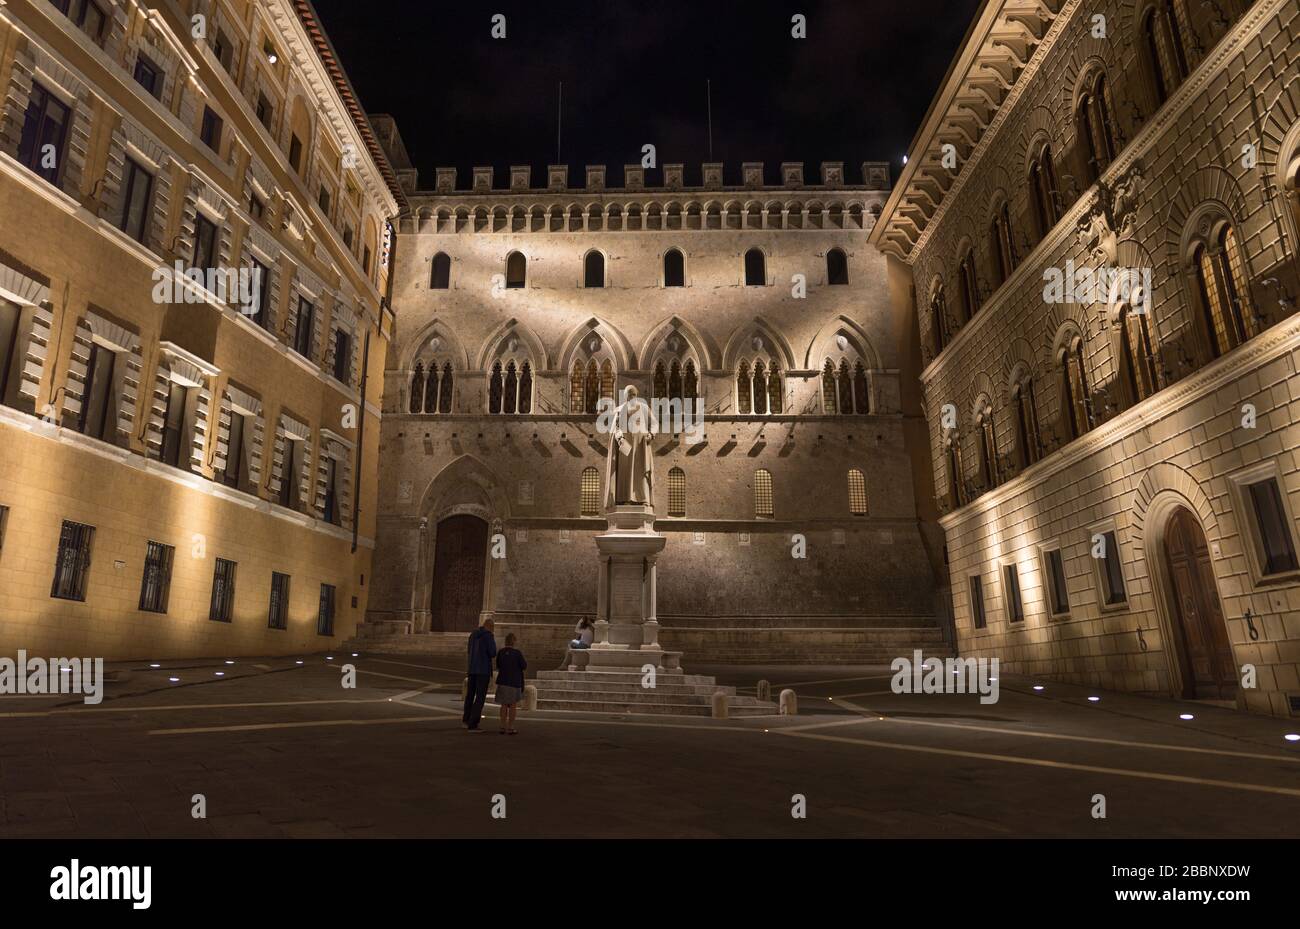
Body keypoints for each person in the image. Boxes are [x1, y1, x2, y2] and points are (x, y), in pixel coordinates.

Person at [463, 617, 497, 732]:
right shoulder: (488, 636)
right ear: (491, 627)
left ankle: (466, 720)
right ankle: (473, 724)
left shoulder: (473, 635)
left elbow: (468, 650)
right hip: (483, 670)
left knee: (470, 695)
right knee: (480, 697)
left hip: (472, 668)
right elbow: (493, 652)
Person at [494, 633, 527, 735]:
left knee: (503, 704)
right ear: (514, 642)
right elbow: (524, 665)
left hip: (503, 681)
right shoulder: (517, 653)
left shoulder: (501, 652)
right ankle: (511, 727)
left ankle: (502, 726)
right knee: (513, 705)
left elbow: (498, 665)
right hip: (514, 682)